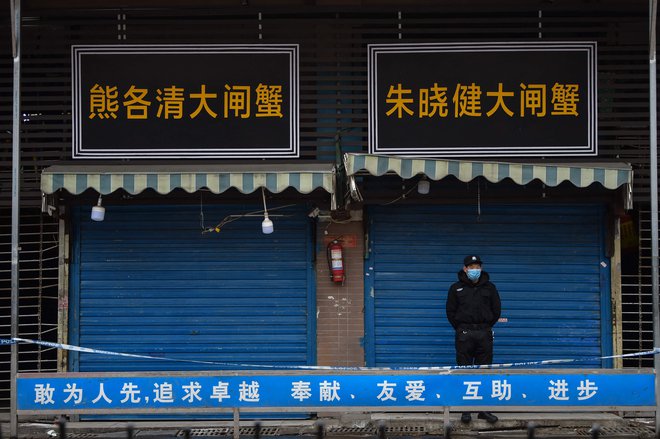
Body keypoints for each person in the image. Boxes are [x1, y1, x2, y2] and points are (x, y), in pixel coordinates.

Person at [445, 255, 501, 425]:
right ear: (465, 269)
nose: (474, 270)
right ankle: (466, 410)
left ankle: (483, 410)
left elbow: (496, 310)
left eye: (477, 266)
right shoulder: (456, 288)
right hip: (464, 333)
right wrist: (461, 328)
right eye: (471, 267)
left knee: (484, 372)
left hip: (484, 332)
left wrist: (485, 326)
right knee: (464, 370)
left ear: (481, 268)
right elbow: (450, 312)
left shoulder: (490, 288)